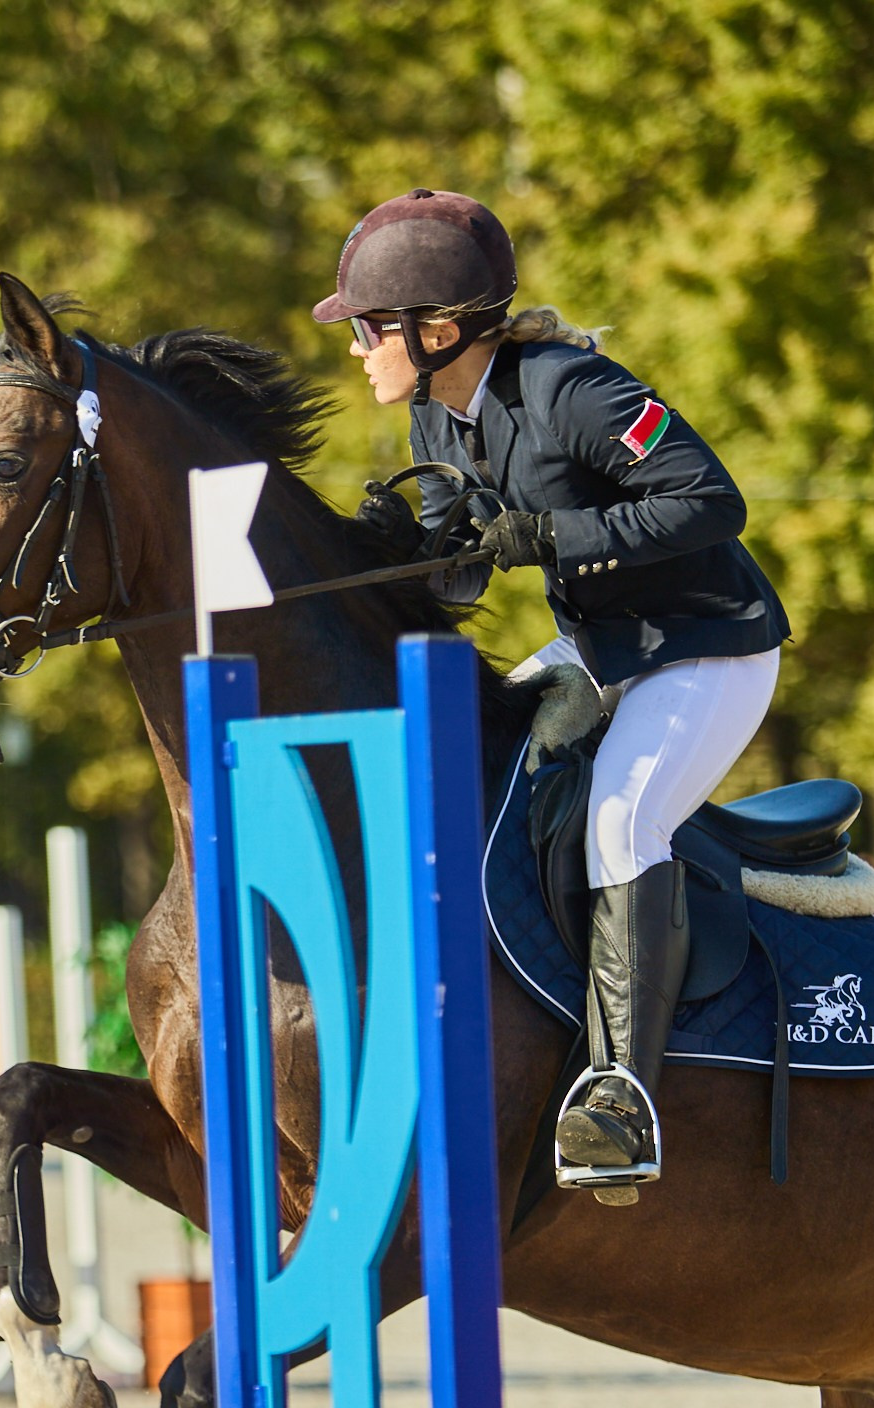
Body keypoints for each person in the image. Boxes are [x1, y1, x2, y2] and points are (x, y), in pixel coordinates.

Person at [315, 188, 792, 1177]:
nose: (355, 345)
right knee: (478, 752)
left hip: (706, 646)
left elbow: (712, 501)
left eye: (367, 327)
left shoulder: (573, 389)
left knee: (622, 818)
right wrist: (404, 549)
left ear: (436, 329)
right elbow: (467, 563)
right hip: (604, 648)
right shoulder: (433, 421)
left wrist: (556, 535)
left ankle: (624, 1097)